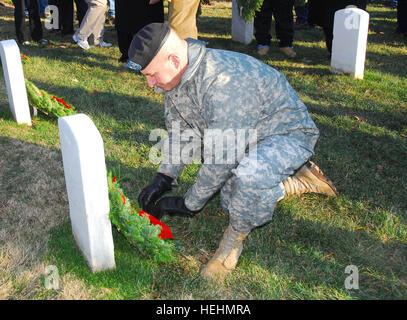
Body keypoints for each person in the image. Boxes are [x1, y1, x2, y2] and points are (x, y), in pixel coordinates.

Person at [130, 23, 339, 279]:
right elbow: (182, 132)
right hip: (245, 138)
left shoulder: (225, 81)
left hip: (285, 135)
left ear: (174, 60)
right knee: (231, 204)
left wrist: (189, 203)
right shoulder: (175, 78)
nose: (151, 84)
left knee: (248, 181)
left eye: (152, 75)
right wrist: (163, 178)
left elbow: (222, 159)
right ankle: (296, 181)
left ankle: (232, 243)